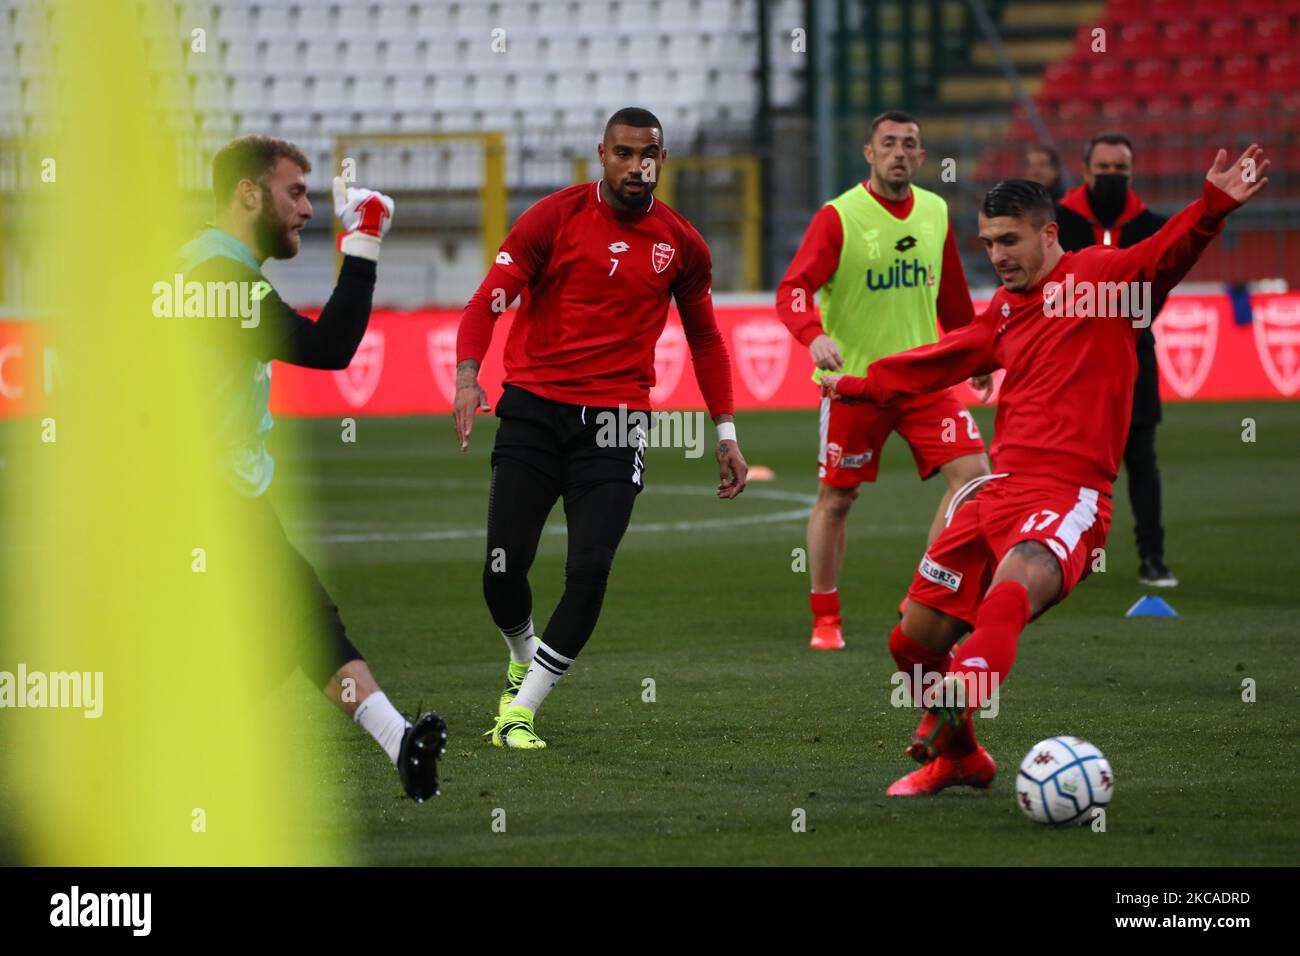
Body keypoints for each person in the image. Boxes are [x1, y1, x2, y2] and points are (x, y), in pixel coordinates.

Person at [822, 146, 1268, 796]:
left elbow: (1164, 256)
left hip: (1069, 497)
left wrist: (1210, 209)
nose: (997, 255)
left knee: (1010, 591)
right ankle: (960, 758)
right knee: (911, 644)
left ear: (1049, 233)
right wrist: (861, 387)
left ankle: (960, 697)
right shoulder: (1004, 310)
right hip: (998, 493)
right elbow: (945, 357)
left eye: (1010, 240)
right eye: (988, 243)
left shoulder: (1102, 279)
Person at [454, 107, 747, 750]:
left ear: (662, 160)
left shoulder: (683, 245)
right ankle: (520, 656)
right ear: (602, 155)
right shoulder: (551, 219)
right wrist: (468, 373)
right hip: (532, 406)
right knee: (502, 571)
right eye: (623, 152)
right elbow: (487, 301)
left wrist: (725, 432)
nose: (637, 165)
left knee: (589, 570)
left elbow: (706, 339)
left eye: (649, 154)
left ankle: (521, 712)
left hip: (617, 423)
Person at [182, 135, 447, 801]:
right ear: (248, 194)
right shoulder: (215, 278)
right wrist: (363, 244)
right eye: (294, 192)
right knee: (301, 622)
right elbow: (329, 349)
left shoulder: (207, 266)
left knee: (282, 638)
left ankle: (398, 743)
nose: (306, 209)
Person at [776, 110, 992, 651]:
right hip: (854, 386)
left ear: (921, 158)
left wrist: (979, 352)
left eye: (910, 144)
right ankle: (825, 615)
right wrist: (812, 335)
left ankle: (929, 595)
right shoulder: (838, 217)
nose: (899, 152)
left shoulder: (937, 212)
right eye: (888, 143)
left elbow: (952, 299)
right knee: (837, 499)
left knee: (974, 477)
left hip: (925, 383)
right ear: (869, 154)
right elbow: (794, 290)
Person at [1056, 132, 1176, 586]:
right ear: (1085, 171)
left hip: (1134, 362)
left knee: (1141, 461)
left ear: (1132, 172)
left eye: (1119, 170)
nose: (1111, 177)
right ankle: (1064, 555)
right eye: (1103, 169)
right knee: (1069, 465)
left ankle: (1154, 558)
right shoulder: (1059, 222)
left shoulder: (1153, 226)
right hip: (1072, 366)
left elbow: (1157, 290)